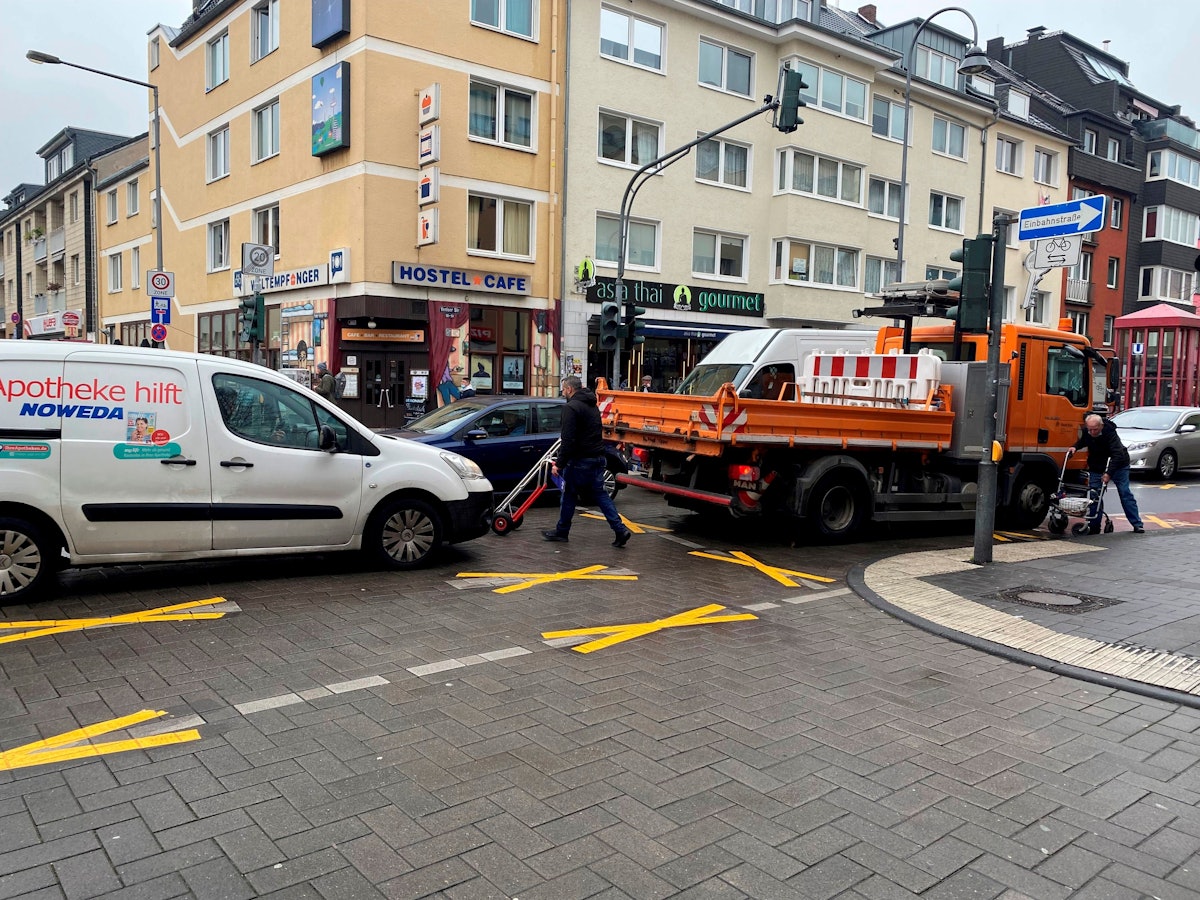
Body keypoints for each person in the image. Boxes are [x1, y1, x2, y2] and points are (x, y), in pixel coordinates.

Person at [543, 375, 632, 547]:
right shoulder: (592, 406)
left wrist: (559, 464)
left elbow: (568, 440)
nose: (563, 392)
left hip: (579, 461)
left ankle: (562, 531)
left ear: (569, 389)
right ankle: (620, 530)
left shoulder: (571, 408)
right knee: (601, 495)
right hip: (597, 458)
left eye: (563, 389)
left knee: (568, 494)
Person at [1067, 413, 1144, 534]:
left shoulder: (1110, 432)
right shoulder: (1088, 431)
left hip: (1118, 465)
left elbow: (1117, 455)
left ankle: (1137, 524)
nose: (1092, 432)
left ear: (1101, 426)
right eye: (1090, 429)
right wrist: (1075, 447)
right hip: (1097, 466)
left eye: (1095, 430)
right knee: (1094, 496)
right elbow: (1083, 440)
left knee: (1124, 493)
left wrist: (1108, 474)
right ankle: (1094, 526)